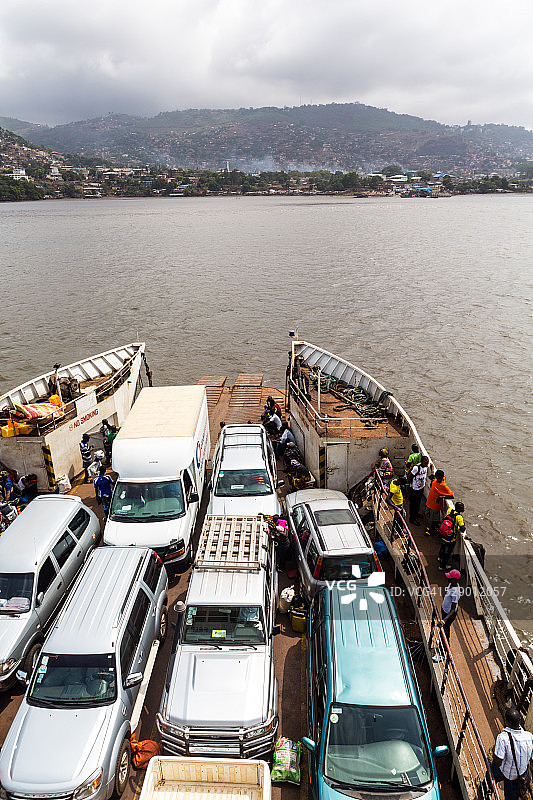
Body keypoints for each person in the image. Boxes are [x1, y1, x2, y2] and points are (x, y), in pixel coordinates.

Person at [491, 707, 533, 800]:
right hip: (519, 775)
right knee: (511, 797)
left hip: (506, 772)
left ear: (507, 723)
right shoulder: (529, 736)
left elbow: (498, 762)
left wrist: (494, 752)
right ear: (520, 719)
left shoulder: (502, 738)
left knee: (493, 770)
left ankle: (487, 786)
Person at [424, 469, 454, 537]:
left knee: (433, 519)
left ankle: (430, 530)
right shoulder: (435, 481)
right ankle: (429, 527)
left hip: (435, 506)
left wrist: (441, 497)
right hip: (429, 502)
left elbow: (451, 496)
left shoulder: (443, 486)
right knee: (427, 515)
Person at [437, 502, 466, 570]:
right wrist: (463, 525)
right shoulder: (459, 517)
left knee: (443, 546)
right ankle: (442, 566)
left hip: (443, 533)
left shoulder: (450, 510)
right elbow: (462, 529)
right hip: (451, 538)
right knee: (447, 552)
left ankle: (439, 557)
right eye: (462, 507)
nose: (463, 508)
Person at [438, 569, 461, 646]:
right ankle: (442, 642)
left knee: (445, 630)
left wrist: (444, 620)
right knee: (444, 630)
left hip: (448, 614)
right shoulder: (451, 585)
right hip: (445, 610)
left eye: (450, 577)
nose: (448, 578)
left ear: (454, 579)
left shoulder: (455, 592)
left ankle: (444, 648)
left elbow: (453, 609)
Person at [408, 455, 429, 524]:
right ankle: (412, 518)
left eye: (427, 463)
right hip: (415, 489)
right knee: (413, 504)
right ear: (422, 462)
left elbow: (431, 465)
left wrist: (432, 472)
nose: (427, 464)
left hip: (421, 488)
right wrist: (409, 487)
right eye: (426, 463)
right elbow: (410, 477)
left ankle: (416, 513)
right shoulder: (416, 468)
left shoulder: (425, 467)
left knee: (418, 503)